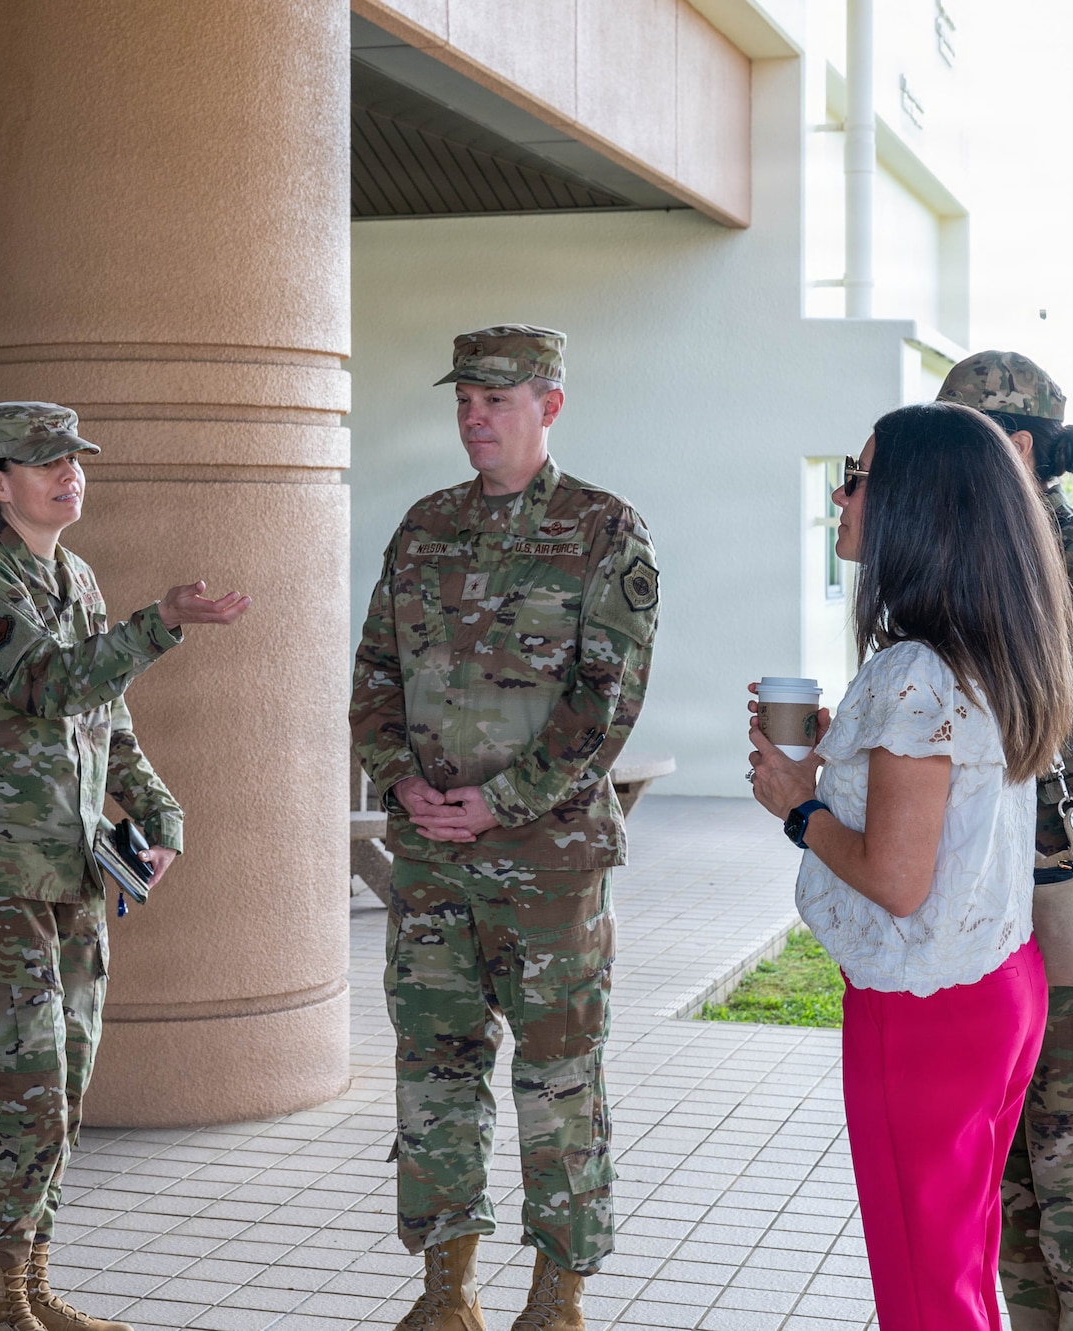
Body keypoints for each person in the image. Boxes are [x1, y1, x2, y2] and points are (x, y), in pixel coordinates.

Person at [0, 401, 249, 1331]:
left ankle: (30, 1285)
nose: (70, 473)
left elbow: (104, 718)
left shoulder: (78, 578)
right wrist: (164, 621)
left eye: (75, 459)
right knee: (25, 1093)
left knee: (61, 1091)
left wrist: (158, 808)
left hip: (68, 878)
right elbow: (47, 685)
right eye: (45, 461)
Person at [351, 325, 659, 1331]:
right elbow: (373, 676)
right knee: (432, 1071)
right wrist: (400, 781)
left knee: (556, 1075)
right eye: (464, 399)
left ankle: (555, 1298)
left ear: (548, 405)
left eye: (497, 397)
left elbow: (606, 701)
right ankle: (443, 1291)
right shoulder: (422, 526)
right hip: (432, 859)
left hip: (547, 863)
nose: (474, 415)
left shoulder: (601, 528)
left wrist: (503, 798)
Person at [748, 401, 1073, 1329]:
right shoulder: (988, 646)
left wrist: (799, 807)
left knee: (925, 1290)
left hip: (925, 1012)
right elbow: (939, 812)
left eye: (858, 477)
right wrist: (838, 764)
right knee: (961, 1270)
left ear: (917, 506)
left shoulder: (913, 672)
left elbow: (896, 877)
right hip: (999, 987)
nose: (843, 496)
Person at [937, 351, 1073, 1329]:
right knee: (1019, 1192)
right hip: (993, 918)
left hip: (1069, 914)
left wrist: (956, 760)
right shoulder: (976, 563)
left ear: (1016, 445)